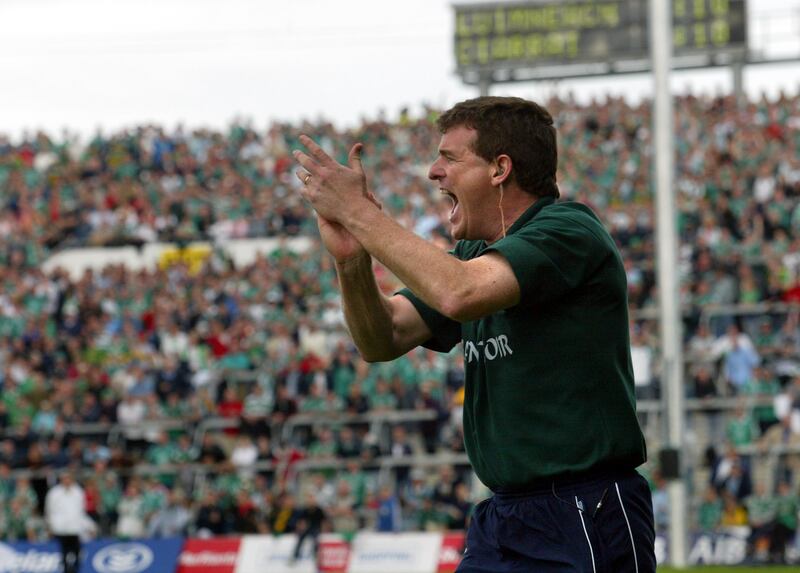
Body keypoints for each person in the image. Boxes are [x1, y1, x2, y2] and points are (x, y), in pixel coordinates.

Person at [295, 96, 655, 571]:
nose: (432, 171)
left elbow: (458, 293)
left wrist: (361, 214)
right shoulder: (471, 253)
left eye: (449, 158)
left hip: (584, 508)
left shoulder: (569, 230)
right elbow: (382, 338)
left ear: (500, 168)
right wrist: (351, 258)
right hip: (502, 515)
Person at [44, 471, 92, 573]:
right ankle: (66, 570)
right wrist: (50, 525)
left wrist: (85, 526)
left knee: (78, 552)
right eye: (65, 478)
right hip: (60, 529)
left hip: (75, 528)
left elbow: (81, 510)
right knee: (63, 553)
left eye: (69, 478)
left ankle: (75, 569)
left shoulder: (78, 491)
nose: (67, 480)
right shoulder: (54, 493)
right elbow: (49, 510)